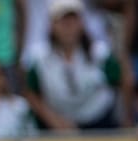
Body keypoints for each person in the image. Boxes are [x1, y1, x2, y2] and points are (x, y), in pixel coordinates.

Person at [23, 0, 122, 131]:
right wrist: (53, 119)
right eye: (63, 21)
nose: (68, 27)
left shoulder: (100, 54)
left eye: (73, 20)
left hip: (98, 122)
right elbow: (30, 92)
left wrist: (126, 118)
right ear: (52, 25)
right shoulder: (39, 57)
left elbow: (121, 81)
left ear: (81, 23)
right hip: (57, 125)